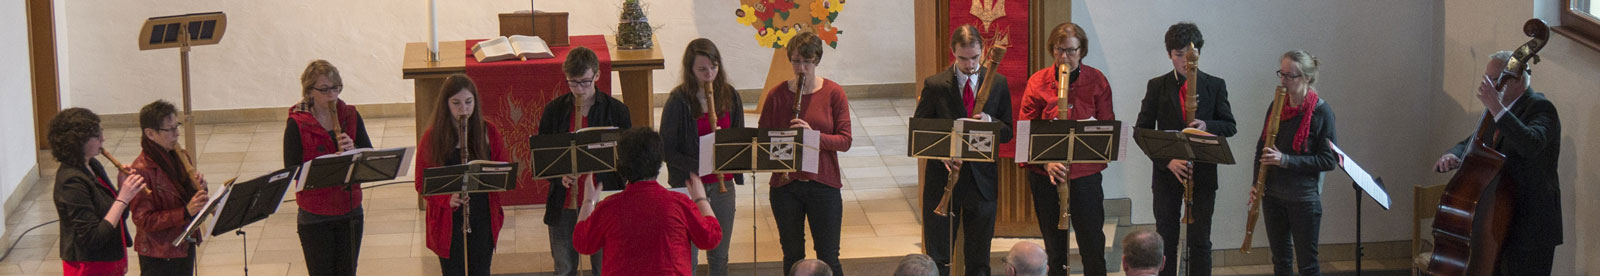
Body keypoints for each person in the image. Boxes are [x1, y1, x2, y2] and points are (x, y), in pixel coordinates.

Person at [1432, 50, 1561, 275]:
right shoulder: (1498, 110)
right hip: (1498, 219)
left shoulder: (1541, 108)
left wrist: (1497, 108)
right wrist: (1454, 154)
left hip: (1530, 226)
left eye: (1494, 79)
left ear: (1517, 79)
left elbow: (1530, 144)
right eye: (1487, 78)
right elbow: (1474, 141)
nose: (1487, 85)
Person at [1133, 22, 1237, 276]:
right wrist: (1168, 161)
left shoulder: (1214, 84)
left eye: (1190, 55)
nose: (1184, 61)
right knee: (1166, 238)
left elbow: (1230, 125)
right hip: (1168, 173)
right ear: (1170, 55)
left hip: (1202, 173)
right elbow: (1141, 131)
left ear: (1198, 54)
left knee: (1200, 239)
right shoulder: (1157, 86)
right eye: (1178, 54)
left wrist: (1207, 125)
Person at [914, 24, 1013, 276]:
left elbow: (1008, 130)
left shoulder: (998, 83)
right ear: (953, 53)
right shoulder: (936, 85)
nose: (970, 64)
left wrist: (990, 122)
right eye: (963, 58)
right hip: (943, 180)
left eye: (975, 57)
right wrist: (940, 152)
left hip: (981, 183)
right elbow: (921, 135)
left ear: (983, 51)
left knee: (979, 261)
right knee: (938, 257)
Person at [1018, 22, 1112, 276]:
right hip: (1047, 177)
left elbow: (1106, 130)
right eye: (1059, 50)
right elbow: (1025, 134)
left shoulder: (1097, 80)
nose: (1065, 57)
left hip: (1085, 177)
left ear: (1082, 51)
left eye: (1071, 51)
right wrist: (1046, 162)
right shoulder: (1038, 82)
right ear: (1052, 50)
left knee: (1092, 245)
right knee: (1055, 250)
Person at [758, 31, 854, 276]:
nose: (801, 68)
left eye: (806, 61)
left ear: (817, 61)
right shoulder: (777, 95)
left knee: (829, 256)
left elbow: (845, 141)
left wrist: (813, 137)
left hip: (823, 184)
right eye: (796, 61)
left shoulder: (834, 93)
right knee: (792, 257)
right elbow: (762, 140)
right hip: (785, 186)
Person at [573, 127, 722, 275]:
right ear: (658, 163)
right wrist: (700, 199)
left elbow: (582, 243)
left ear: (621, 163)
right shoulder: (679, 203)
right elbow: (711, 238)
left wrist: (588, 201)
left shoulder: (609, 206)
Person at [539, 46, 631, 276]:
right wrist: (559, 174)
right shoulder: (554, 111)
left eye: (585, 82)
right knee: (565, 267)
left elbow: (629, 158)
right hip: (564, 201)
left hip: (604, 200)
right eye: (573, 82)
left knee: (606, 267)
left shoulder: (616, 111)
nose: (579, 89)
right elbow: (541, 159)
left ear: (597, 76)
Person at [661, 38, 745, 276]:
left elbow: (740, 139)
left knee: (719, 252)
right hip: (690, 184)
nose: (710, 74)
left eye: (714, 67)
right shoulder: (678, 101)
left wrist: (726, 144)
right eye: (702, 69)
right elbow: (666, 149)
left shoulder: (730, 95)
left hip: (723, 185)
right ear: (690, 70)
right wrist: (703, 162)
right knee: (688, 254)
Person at [283, 59, 373, 275]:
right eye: (324, 90)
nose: (332, 95)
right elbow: (292, 169)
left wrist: (354, 150)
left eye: (335, 88)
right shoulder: (297, 123)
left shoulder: (350, 114)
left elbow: (369, 153)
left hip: (350, 207)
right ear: (309, 92)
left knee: (347, 270)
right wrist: (324, 163)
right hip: (315, 213)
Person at [1252, 50, 1338, 276]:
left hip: (1303, 198)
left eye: (1291, 76)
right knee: (1281, 261)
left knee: (1307, 265)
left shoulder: (1321, 112)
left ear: (1307, 78)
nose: (1284, 80)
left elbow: (1329, 160)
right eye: (1282, 74)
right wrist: (1256, 184)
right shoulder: (1276, 105)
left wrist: (1286, 160)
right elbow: (1262, 147)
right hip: (1273, 196)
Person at [415, 74, 509, 276]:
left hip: (482, 215)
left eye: (468, 102)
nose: (463, 109)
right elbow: (421, 182)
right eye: (456, 103)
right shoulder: (433, 137)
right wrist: (446, 198)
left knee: (481, 271)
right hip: (448, 218)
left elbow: (503, 171)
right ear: (446, 104)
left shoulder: (489, 131)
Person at [52, 107, 148, 276]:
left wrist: (121, 189)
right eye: (97, 135)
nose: (102, 139)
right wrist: (123, 198)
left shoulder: (92, 165)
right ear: (78, 141)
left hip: (108, 260)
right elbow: (92, 238)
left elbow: (116, 216)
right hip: (88, 266)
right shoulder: (71, 181)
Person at [128, 100, 210, 275]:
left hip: (183, 242)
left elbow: (183, 195)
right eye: (170, 129)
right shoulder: (140, 171)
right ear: (150, 133)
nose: (177, 133)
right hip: (159, 252)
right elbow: (143, 220)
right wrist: (185, 212)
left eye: (177, 126)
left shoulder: (181, 155)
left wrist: (199, 189)